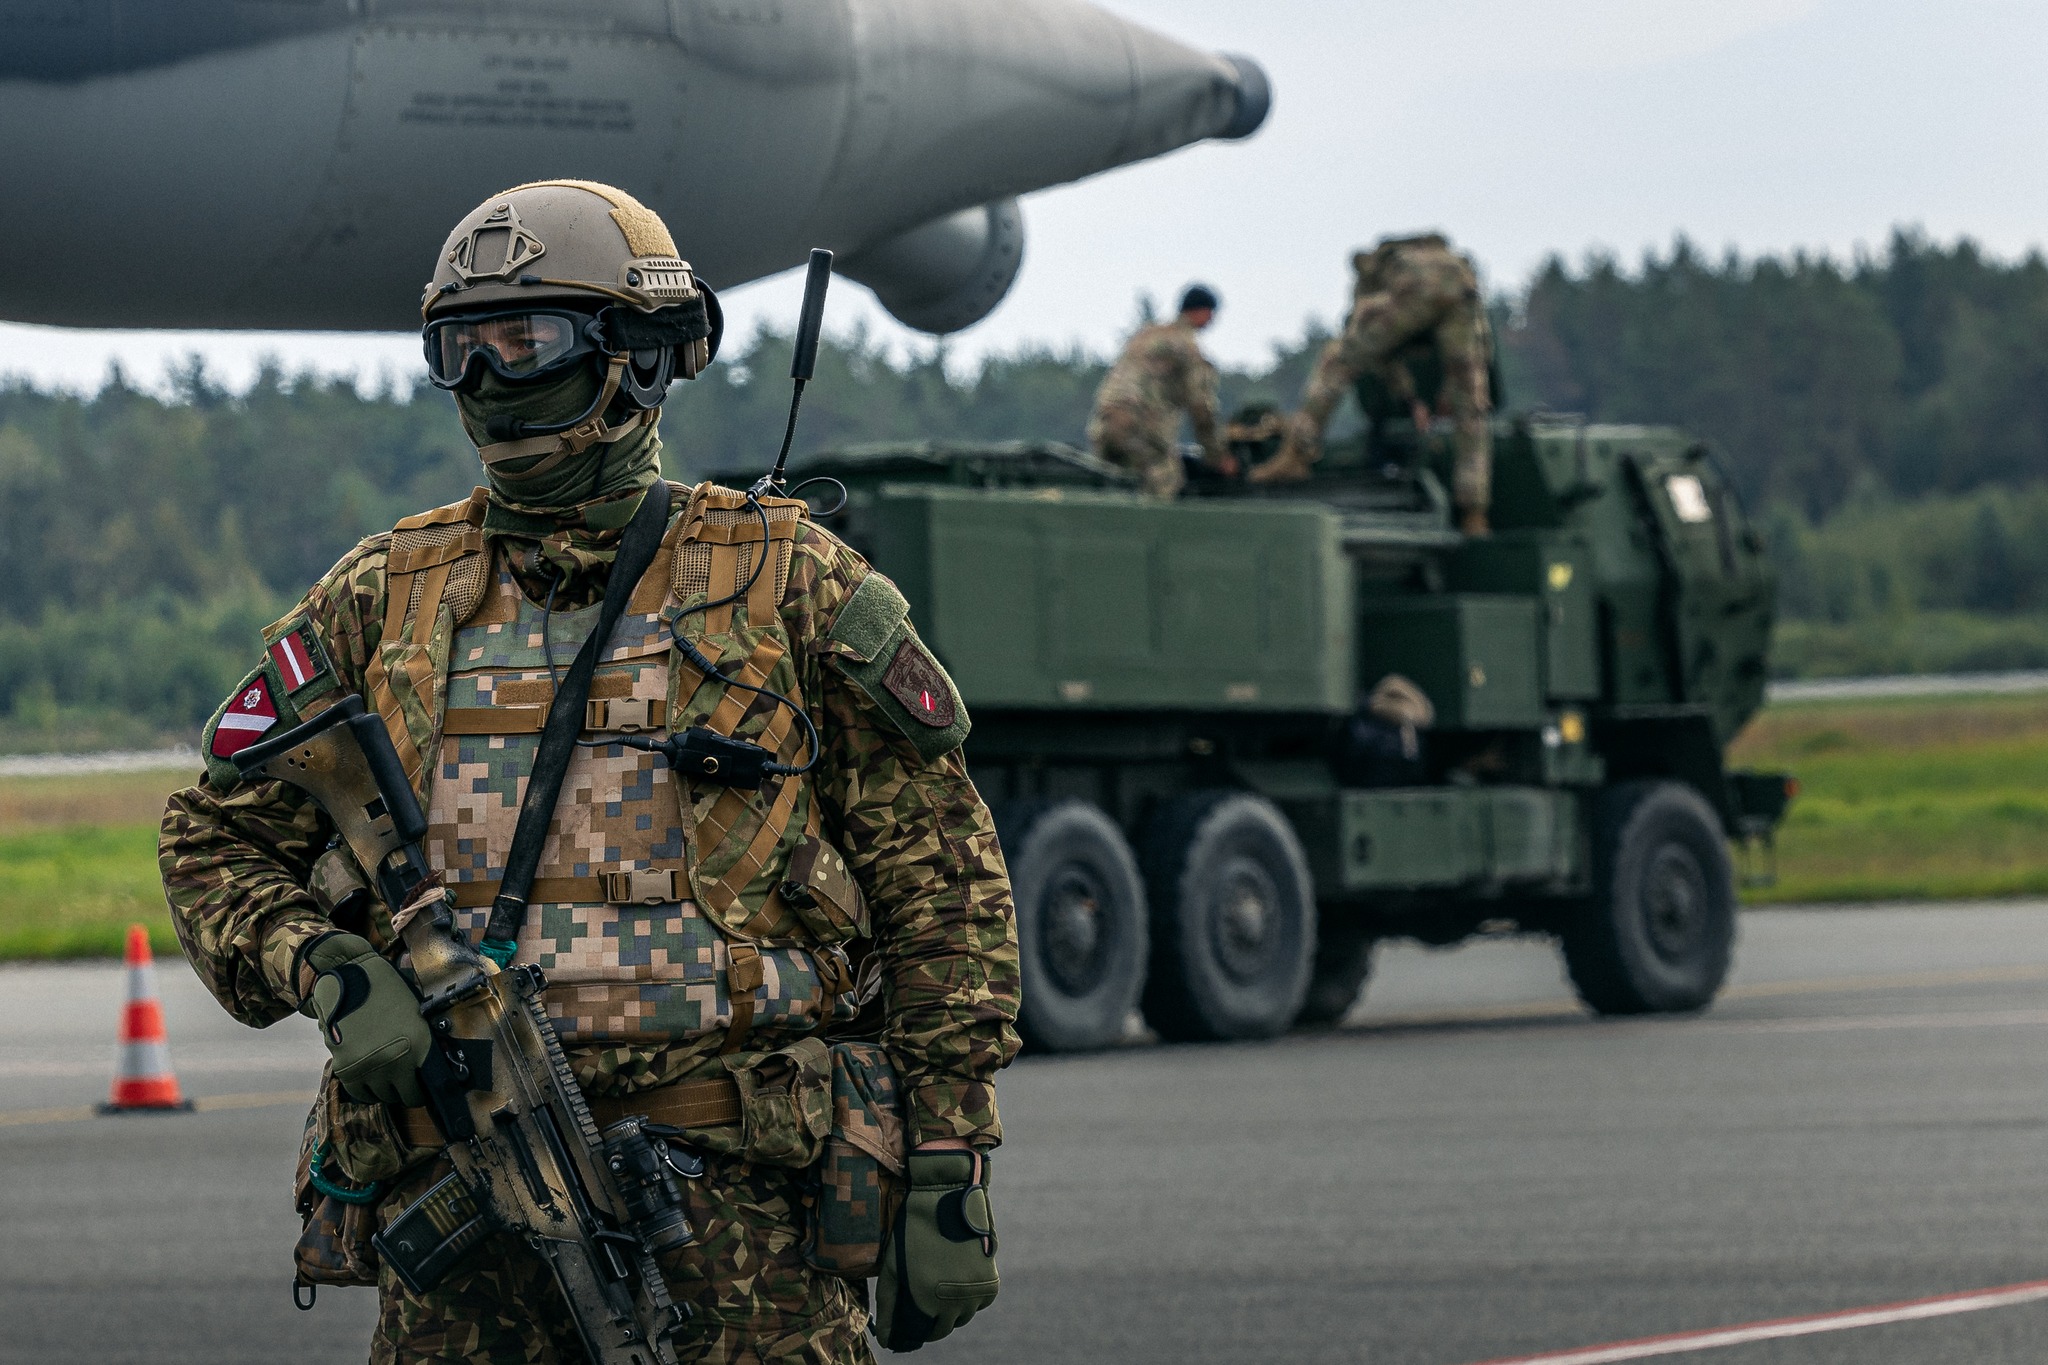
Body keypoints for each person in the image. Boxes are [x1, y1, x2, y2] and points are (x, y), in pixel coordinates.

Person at [158, 180, 1020, 1364]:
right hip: (457, 1192)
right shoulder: (382, 595)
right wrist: (322, 965)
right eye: (462, 350)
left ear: (637, 356)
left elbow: (942, 882)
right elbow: (213, 838)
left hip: (735, 1216)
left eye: (530, 343)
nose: (493, 383)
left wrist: (948, 1154)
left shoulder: (787, 585)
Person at [1253, 234, 1495, 535]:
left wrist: (1406, 397)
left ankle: (1296, 455)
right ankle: (1475, 514)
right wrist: (1447, 389)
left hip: (1416, 291)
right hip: (1463, 290)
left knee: (1336, 361)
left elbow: (1370, 346)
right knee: (1471, 413)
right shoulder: (1447, 259)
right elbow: (1479, 353)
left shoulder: (1374, 271)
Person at [1087, 283, 1228, 497]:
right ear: (1203, 312)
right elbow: (1201, 407)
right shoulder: (1187, 346)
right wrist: (1217, 456)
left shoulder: (1146, 335)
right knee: (1167, 485)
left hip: (1106, 424)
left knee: (1113, 489)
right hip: (1140, 429)